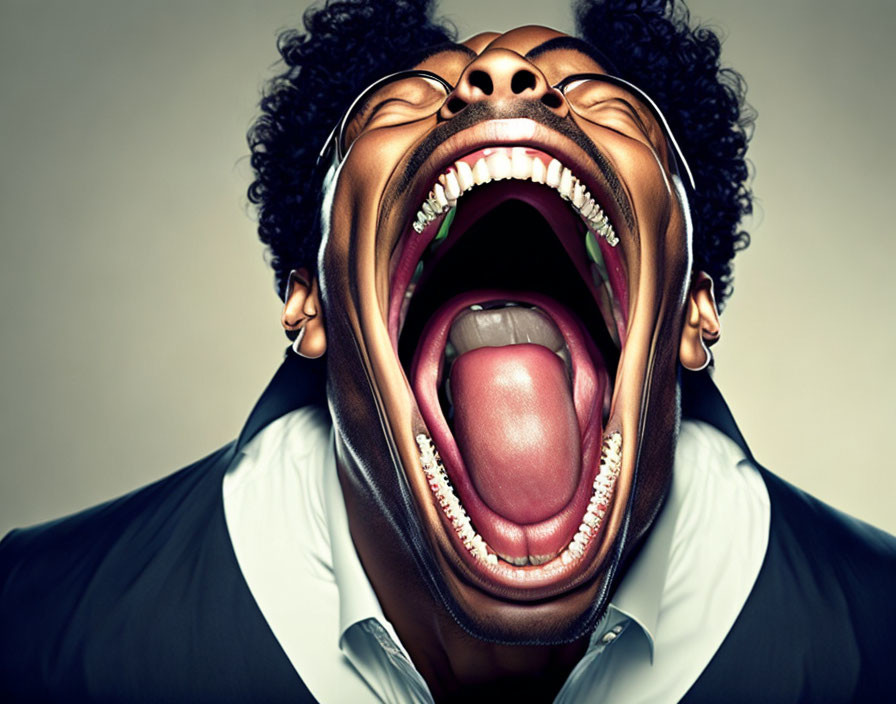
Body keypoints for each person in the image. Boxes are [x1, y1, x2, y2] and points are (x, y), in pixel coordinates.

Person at [2, 0, 894, 701]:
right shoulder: (35, 631)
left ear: (696, 305)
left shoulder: (878, 636)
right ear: (308, 300)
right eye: (399, 107)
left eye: (605, 102)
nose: (499, 75)